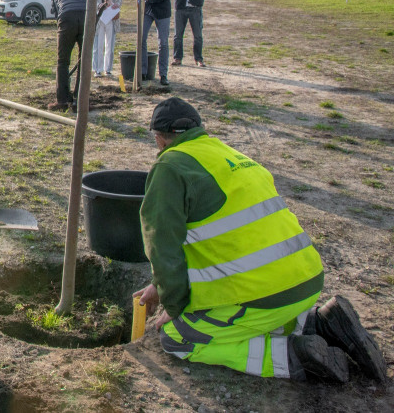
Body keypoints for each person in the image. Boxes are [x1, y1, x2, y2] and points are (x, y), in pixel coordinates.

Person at [134, 97, 387, 384]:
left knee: (176, 338)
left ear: (159, 139)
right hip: (306, 282)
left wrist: (176, 309)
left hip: (266, 296)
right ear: (199, 129)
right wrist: (159, 286)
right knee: (249, 320)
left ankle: (292, 357)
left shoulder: (169, 166)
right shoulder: (229, 155)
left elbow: (163, 247)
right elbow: (223, 238)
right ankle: (321, 323)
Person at [47, 0, 115, 110]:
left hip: (66, 19)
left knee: (62, 61)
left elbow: (55, 13)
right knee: (84, 60)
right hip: (85, 16)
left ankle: (63, 100)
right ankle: (80, 100)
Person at [138, 0, 174, 86]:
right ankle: (143, 72)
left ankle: (163, 74)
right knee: (141, 38)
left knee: (163, 42)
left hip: (162, 11)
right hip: (146, 10)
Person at [93, 0, 122, 77]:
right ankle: (97, 69)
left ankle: (108, 68)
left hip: (111, 17)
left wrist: (116, 4)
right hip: (100, 17)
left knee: (110, 44)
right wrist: (98, 5)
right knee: (98, 44)